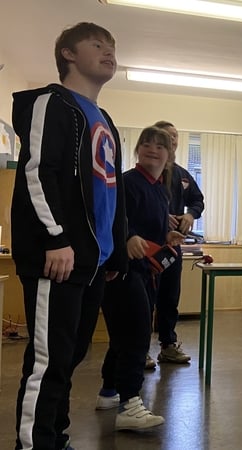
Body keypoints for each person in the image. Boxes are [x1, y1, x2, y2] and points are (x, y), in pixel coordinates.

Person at [11, 22, 128, 450]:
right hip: (58, 255)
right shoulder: (52, 102)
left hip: (92, 263)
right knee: (49, 361)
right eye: (98, 44)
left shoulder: (104, 119)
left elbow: (110, 193)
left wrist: (113, 257)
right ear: (68, 54)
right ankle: (35, 445)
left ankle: (54, 438)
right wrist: (55, 237)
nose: (109, 52)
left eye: (113, 47)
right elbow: (37, 173)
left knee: (71, 355)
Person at [96, 126, 183, 430]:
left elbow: (152, 226)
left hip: (145, 271)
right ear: (137, 150)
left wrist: (168, 233)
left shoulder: (160, 188)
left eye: (159, 146)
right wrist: (129, 235)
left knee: (123, 335)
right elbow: (110, 216)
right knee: (136, 335)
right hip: (121, 269)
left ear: (169, 154)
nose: (152, 149)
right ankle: (130, 403)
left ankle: (109, 392)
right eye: (146, 144)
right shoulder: (125, 182)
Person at [150, 120, 204, 366]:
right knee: (145, 298)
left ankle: (168, 345)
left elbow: (197, 201)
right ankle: (139, 350)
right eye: (167, 135)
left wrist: (190, 215)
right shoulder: (145, 172)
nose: (172, 139)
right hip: (146, 246)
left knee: (170, 296)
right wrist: (161, 218)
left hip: (173, 248)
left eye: (175, 136)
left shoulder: (183, 174)